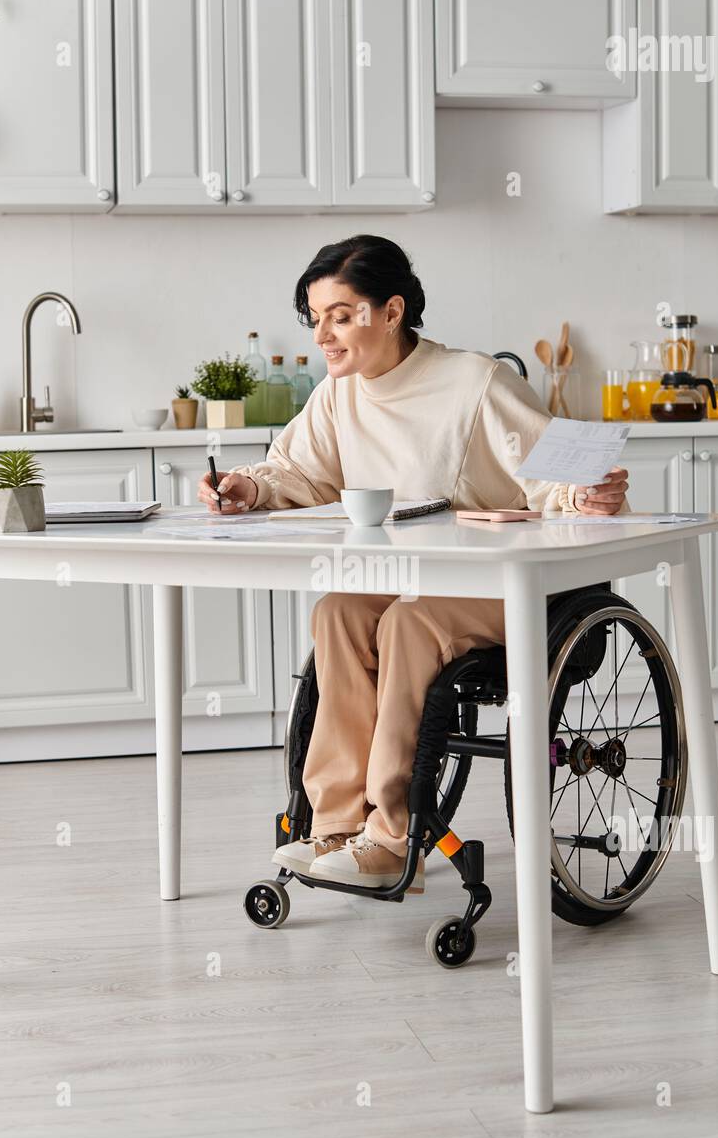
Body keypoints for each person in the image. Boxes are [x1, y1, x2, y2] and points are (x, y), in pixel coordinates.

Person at [198, 235, 629, 893]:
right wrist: (247, 488)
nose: (325, 337)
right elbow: (296, 471)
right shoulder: (339, 394)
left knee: (407, 623)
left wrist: (587, 491)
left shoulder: (475, 381)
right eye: (316, 320)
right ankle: (336, 825)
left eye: (341, 316)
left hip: (506, 587)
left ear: (392, 311)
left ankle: (393, 836)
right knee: (339, 609)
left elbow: (557, 476)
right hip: (415, 586)